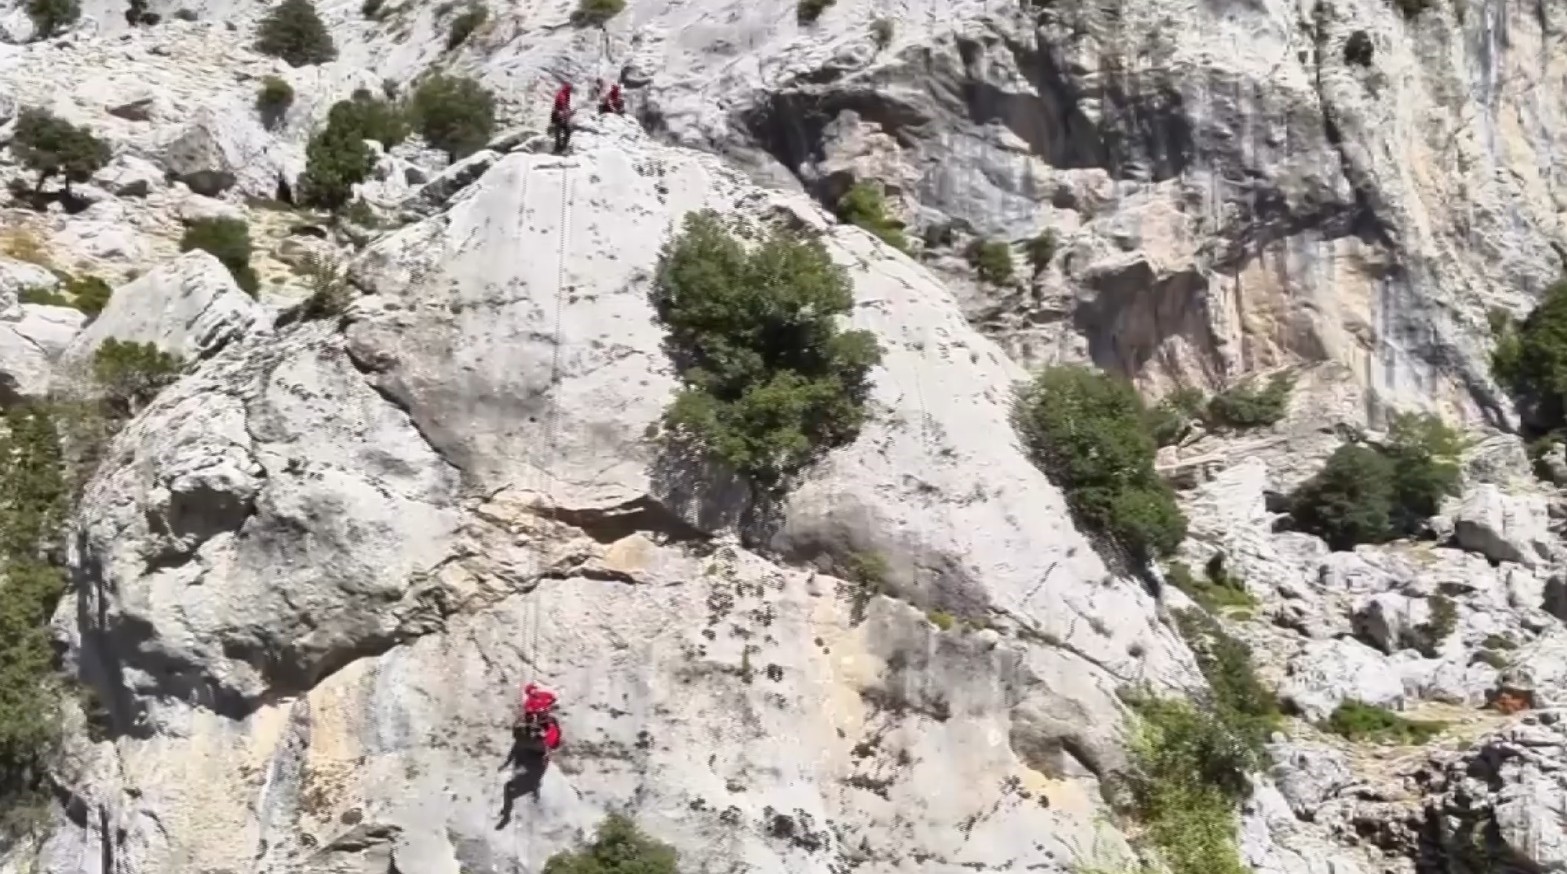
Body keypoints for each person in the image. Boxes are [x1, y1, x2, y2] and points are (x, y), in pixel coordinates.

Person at [549, 83, 574, 154]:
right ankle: (561, 148)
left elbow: (565, 105)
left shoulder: (564, 94)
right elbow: (562, 105)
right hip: (560, 117)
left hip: (560, 116)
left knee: (560, 132)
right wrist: (566, 113)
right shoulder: (562, 95)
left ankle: (559, 148)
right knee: (566, 131)